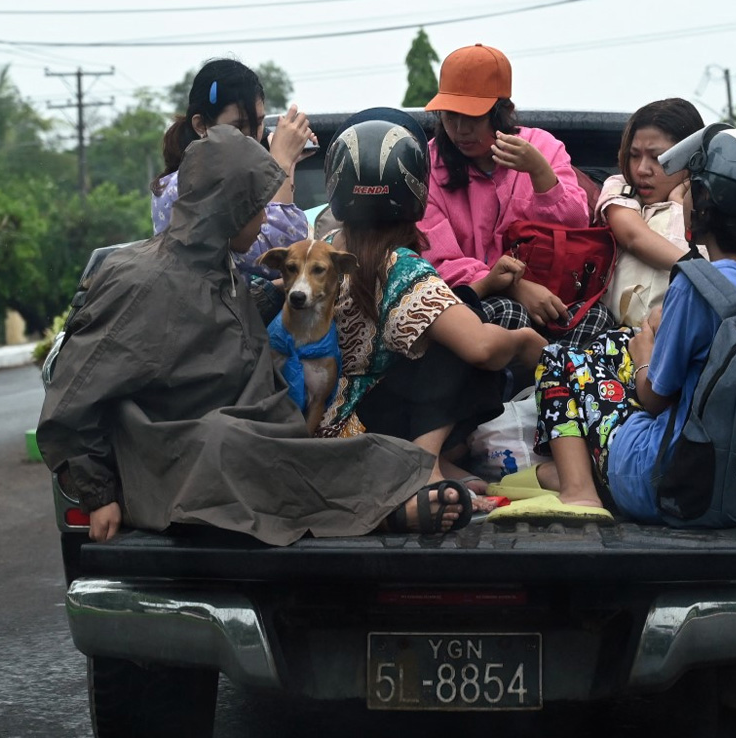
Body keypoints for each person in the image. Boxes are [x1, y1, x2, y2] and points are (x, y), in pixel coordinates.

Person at [38, 125, 469, 545]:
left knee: (347, 447)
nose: (265, 218)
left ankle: (393, 488)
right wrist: (98, 496)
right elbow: (74, 396)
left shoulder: (220, 272)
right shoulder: (140, 280)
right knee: (235, 447)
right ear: (232, 209)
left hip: (250, 432)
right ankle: (385, 514)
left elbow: (221, 326)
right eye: (258, 207)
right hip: (181, 457)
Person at [510, 125, 736, 522]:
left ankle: (580, 490)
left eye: (693, 186)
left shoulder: (697, 286)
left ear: (707, 202)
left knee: (560, 358)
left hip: (661, 482)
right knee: (616, 341)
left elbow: (653, 397)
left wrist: (645, 354)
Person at [315, 109, 547, 490]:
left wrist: (483, 286)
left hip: (330, 424)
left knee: (458, 311)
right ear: (415, 187)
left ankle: (440, 463)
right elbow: (482, 349)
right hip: (367, 433)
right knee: (463, 337)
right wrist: (524, 341)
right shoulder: (399, 267)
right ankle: (425, 464)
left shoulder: (324, 252)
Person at [419, 44, 612, 347]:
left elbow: (577, 222)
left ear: (503, 113)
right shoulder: (428, 165)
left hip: (554, 295)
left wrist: (540, 173)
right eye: (449, 116)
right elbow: (438, 260)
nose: (459, 130)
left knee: (598, 319)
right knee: (508, 316)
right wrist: (514, 288)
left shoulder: (542, 147)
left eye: (472, 118)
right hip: (477, 298)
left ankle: (558, 386)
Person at [151, 59, 315, 318]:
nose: (251, 138)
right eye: (238, 127)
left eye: (258, 124)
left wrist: (283, 164)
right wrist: (280, 163)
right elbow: (282, 253)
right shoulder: (181, 187)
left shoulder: (231, 177)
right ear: (201, 126)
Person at [597, 98, 705, 279]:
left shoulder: (712, 202)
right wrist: (706, 275)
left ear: (691, 158)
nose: (641, 169)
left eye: (658, 157)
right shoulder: (619, 187)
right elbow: (633, 237)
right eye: (634, 155)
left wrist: (679, 202)